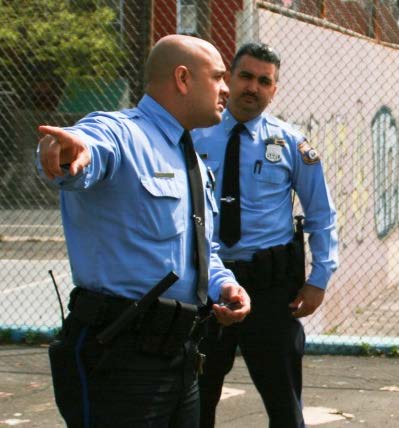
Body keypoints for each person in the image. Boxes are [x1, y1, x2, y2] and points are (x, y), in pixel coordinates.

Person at [37, 35, 251, 427]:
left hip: (180, 355)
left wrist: (224, 284)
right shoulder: (123, 133)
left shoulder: (191, 159)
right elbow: (90, 146)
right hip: (119, 358)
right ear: (183, 79)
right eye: (218, 77)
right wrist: (69, 153)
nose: (227, 88)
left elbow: (200, 248)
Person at [192, 42, 338, 428]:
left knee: (283, 403)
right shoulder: (193, 135)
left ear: (274, 89)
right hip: (205, 286)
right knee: (194, 402)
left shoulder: (290, 143)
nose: (252, 87)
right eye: (245, 76)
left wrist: (318, 279)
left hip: (271, 290)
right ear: (228, 79)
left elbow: (321, 214)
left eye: (264, 81)